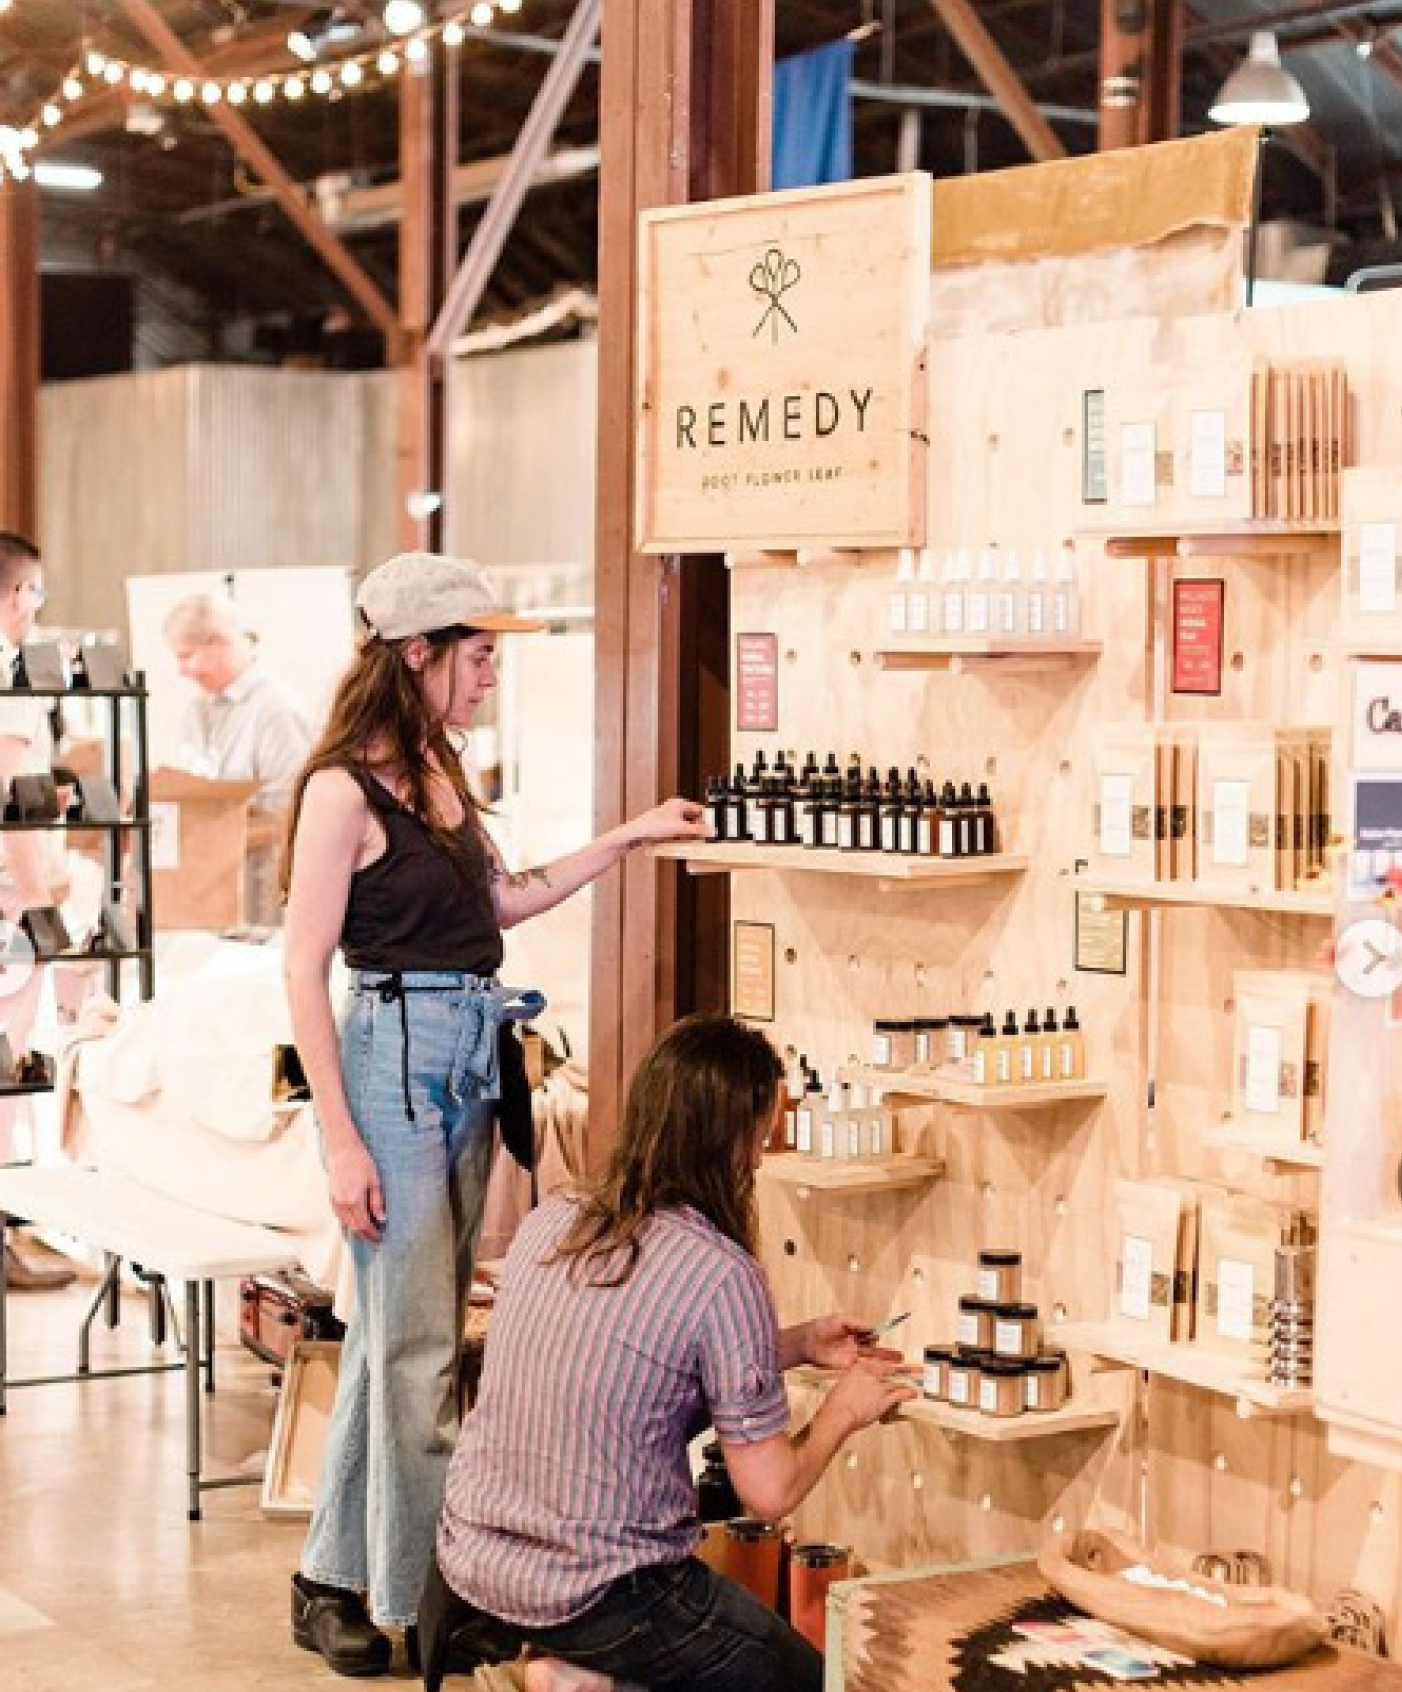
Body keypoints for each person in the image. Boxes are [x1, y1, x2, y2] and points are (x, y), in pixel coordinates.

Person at [282, 551, 709, 1676]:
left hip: (468, 1054)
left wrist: (627, 838)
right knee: (419, 1352)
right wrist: (338, 1137)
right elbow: (302, 970)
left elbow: (499, 904)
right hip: (394, 1062)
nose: (489, 677)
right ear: (413, 653)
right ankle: (433, 1601)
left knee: (397, 1334)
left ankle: (331, 1580)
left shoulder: (442, 776)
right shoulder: (341, 792)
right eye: (477, 656)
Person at [420, 1013, 917, 1692]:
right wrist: (843, 1410)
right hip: (598, 1591)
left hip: (473, 1556)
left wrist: (795, 1346)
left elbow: (630, 1363)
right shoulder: (721, 1273)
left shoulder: (556, 1221)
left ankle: (582, 1677)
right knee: (810, 1682)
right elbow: (770, 1494)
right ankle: (590, 1671)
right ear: (740, 1137)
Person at [0, 532, 75, 1292]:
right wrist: (45, 908)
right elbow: (10, 803)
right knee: (5, 1066)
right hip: (5, 907)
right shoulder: (12, 678)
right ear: (20, 594)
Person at [162, 591, 314, 924]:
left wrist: (215, 840)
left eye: (186, 656)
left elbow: (293, 813)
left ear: (218, 642)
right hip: (209, 889)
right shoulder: (197, 708)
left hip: (264, 890)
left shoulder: (277, 710)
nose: (181, 671)